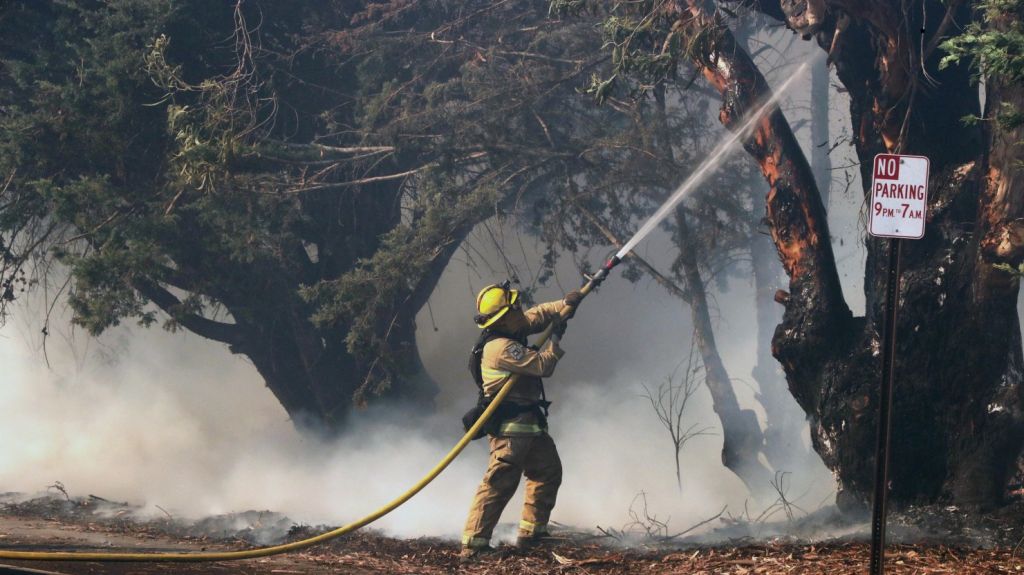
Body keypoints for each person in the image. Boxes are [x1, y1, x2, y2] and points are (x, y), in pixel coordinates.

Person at [460, 281, 583, 560]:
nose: (520, 309)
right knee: (499, 483)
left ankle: (531, 533)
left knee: (547, 472)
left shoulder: (509, 329)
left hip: (530, 426)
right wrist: (556, 340)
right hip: (511, 430)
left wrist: (565, 304)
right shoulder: (501, 347)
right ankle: (474, 546)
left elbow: (537, 315)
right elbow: (543, 365)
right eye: (514, 307)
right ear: (504, 316)